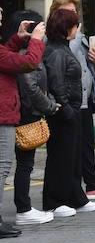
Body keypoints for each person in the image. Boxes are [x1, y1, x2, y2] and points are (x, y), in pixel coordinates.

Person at [49, 0, 95, 200]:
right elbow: (60, 77)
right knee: (70, 149)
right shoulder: (58, 42)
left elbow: (87, 70)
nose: (74, 16)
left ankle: (87, 186)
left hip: (83, 98)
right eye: (68, 12)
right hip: (71, 102)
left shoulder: (79, 36)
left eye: (75, 12)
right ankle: (74, 191)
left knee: (84, 144)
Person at [41, 5, 95, 216]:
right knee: (61, 157)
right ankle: (55, 201)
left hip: (73, 109)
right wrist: (65, 108)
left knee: (73, 157)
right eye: (75, 25)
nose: (78, 28)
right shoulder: (55, 51)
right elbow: (56, 84)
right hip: (63, 112)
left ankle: (75, 196)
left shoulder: (62, 48)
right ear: (67, 28)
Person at [0, 9, 44, 238]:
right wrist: (35, 40)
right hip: (3, 115)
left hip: (6, 113)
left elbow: (7, 54)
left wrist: (19, 37)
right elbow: (29, 63)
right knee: (2, 167)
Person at [9, 11, 55, 226]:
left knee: (19, 164)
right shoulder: (26, 53)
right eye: (40, 29)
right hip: (24, 113)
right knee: (22, 164)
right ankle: (23, 208)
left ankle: (24, 207)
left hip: (19, 111)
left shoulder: (15, 49)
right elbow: (31, 85)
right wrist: (49, 106)